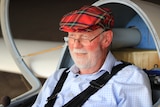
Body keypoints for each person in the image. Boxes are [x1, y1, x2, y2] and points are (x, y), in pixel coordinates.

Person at [32, 5, 152, 107]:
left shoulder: (129, 78)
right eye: (72, 37)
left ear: (106, 39)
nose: (76, 46)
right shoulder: (57, 77)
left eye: (84, 37)